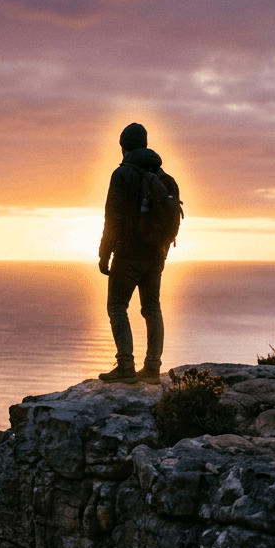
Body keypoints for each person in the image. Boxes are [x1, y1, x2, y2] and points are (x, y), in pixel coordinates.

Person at [97, 122, 179, 385]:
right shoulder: (165, 177)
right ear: (144, 145)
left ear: (123, 147)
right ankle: (153, 369)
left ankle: (125, 367)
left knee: (117, 306)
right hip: (156, 255)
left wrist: (104, 252)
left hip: (128, 255)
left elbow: (113, 218)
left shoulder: (121, 175)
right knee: (152, 308)